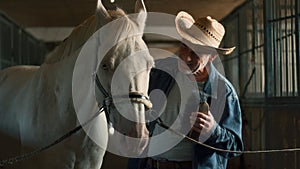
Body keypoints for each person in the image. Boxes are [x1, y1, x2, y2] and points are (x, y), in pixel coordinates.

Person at [127, 11, 243, 169]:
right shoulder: (159, 71)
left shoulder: (224, 92)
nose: (186, 57)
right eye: (184, 47)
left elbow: (235, 147)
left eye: (196, 53)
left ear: (212, 57)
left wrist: (213, 131)